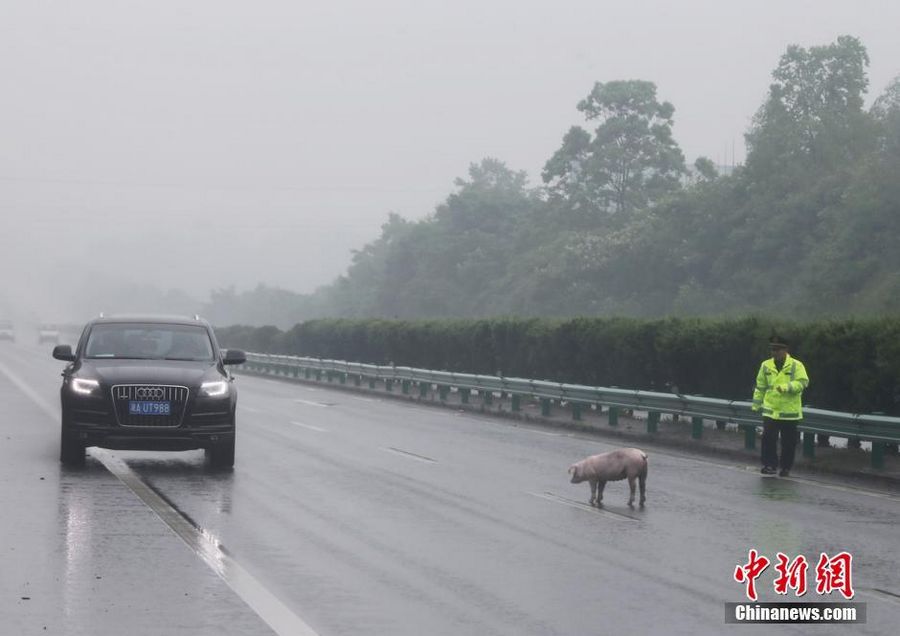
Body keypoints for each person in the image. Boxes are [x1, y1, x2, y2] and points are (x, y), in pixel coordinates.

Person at [751, 335, 809, 477]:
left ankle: (785, 468)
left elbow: (803, 383)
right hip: (771, 411)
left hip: (789, 412)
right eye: (772, 350)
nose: (774, 352)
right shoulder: (766, 365)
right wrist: (756, 404)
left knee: (788, 443)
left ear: (785, 350)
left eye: (777, 350)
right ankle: (769, 465)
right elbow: (760, 386)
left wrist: (787, 387)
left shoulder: (796, 365)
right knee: (768, 439)